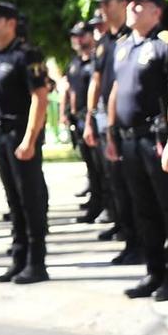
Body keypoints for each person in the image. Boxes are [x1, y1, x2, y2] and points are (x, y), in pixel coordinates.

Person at [105, 0, 168, 301]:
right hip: (129, 138)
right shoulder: (123, 46)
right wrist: (111, 132)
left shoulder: (166, 45)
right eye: (130, 4)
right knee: (143, 209)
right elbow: (116, 90)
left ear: (156, 11)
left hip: (156, 137)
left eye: (139, 5)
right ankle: (154, 271)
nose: (131, 9)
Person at [0, 2, 51, 285]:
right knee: (13, 201)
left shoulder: (27, 55)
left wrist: (30, 137)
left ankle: (36, 262)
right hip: (0, 134)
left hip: (20, 134)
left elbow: (40, 97)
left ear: (10, 23)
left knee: (30, 200)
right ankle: (18, 258)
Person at [83, 0, 137, 257]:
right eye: (102, 4)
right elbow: (96, 81)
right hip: (105, 118)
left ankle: (137, 236)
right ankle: (124, 227)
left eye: (109, 3)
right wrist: (90, 119)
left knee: (132, 181)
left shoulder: (133, 38)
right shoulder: (103, 44)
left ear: (123, 3)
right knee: (113, 178)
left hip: (129, 119)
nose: (104, 9)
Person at [64, 20, 106, 225]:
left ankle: (109, 207)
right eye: (75, 36)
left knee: (103, 167)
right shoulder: (74, 63)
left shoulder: (97, 61)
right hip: (78, 119)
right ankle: (95, 204)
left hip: (95, 118)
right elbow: (69, 89)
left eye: (82, 35)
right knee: (91, 168)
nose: (79, 40)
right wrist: (67, 113)